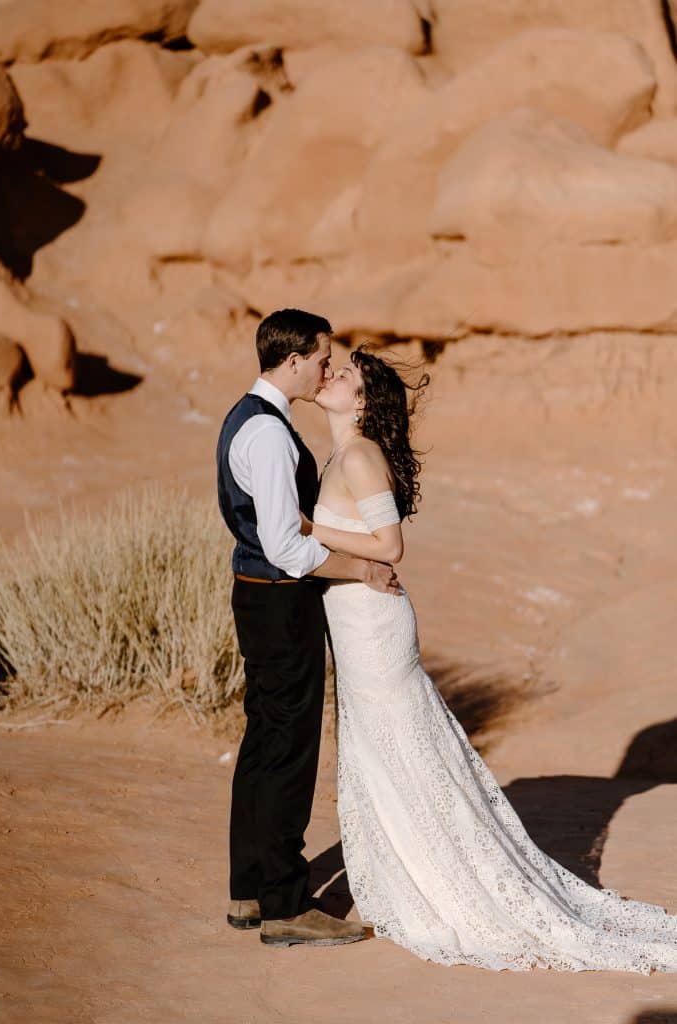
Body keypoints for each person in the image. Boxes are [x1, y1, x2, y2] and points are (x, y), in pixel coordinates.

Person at [302, 345, 677, 972]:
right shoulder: (344, 454)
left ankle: (446, 888)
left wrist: (309, 529)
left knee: (401, 751)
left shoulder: (360, 455)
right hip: (358, 621)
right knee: (386, 752)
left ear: (362, 402)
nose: (333, 374)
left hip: (373, 626)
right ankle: (413, 877)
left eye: (346, 374)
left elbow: (389, 545)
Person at [216, 309, 399, 949]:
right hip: (279, 601)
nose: (327, 369)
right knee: (288, 752)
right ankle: (287, 906)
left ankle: (249, 891)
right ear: (293, 360)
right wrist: (361, 569)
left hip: (258, 597)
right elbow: (285, 545)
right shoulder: (267, 433)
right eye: (322, 359)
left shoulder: (248, 417)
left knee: (264, 743)